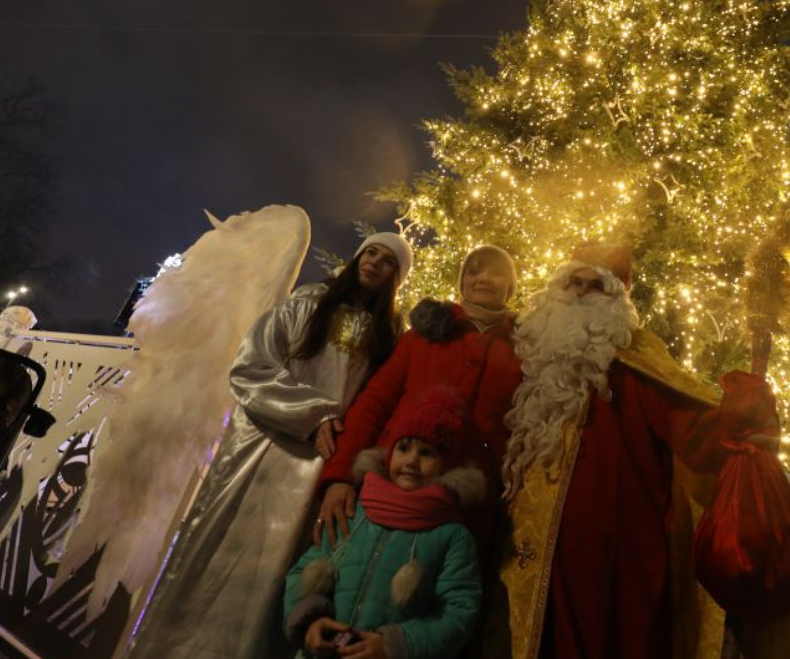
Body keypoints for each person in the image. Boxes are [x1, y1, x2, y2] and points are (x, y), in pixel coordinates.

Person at [489, 243, 790, 659]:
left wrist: (742, 414)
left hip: (617, 557)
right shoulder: (534, 356)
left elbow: (693, 433)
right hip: (537, 554)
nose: (581, 293)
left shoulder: (638, 361)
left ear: (617, 297)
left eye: (595, 286)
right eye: (573, 282)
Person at [128, 232, 413, 659]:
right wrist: (313, 413)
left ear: (396, 278)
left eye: (388, 261)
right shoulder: (307, 305)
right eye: (370, 252)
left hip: (319, 463)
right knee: (216, 556)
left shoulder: (386, 338)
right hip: (260, 449)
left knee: (275, 575)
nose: (375, 262)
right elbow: (251, 367)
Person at [316, 245, 522, 550]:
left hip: (466, 506)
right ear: (462, 282)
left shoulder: (524, 352)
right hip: (389, 484)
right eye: (474, 271)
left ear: (510, 287)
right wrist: (340, 476)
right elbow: (374, 402)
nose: (483, 278)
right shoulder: (423, 335)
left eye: (496, 273)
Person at [285, 395, 484, 659]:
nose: (411, 461)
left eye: (426, 453)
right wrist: (310, 621)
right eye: (403, 448)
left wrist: (394, 646)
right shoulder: (355, 510)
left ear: (445, 466)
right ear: (389, 456)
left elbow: (458, 613)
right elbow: (303, 569)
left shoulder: (452, 535)